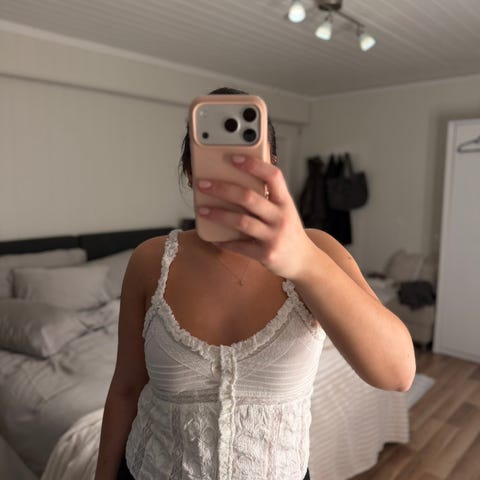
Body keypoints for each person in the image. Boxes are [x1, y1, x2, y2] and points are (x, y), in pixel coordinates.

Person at [94, 87, 416, 480]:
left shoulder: (317, 250)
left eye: (245, 162)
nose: (229, 176)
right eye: (212, 162)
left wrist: (305, 263)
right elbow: (126, 387)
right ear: (190, 172)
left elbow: (398, 374)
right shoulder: (150, 260)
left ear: (270, 171)